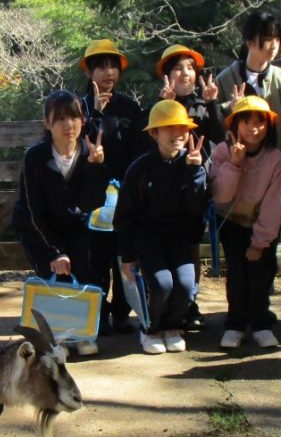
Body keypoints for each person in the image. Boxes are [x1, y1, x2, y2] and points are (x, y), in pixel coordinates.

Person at [11, 90, 109, 354]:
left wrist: (95, 167)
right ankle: (55, 340)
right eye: (61, 118)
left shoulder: (90, 152)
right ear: (47, 123)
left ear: (83, 119)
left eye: (75, 117)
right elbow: (32, 211)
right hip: (39, 230)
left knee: (86, 272)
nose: (69, 125)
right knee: (53, 280)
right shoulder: (35, 158)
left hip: (76, 228)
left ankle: (82, 334)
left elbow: (91, 203)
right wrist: (54, 252)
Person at [116, 100, 210, 354]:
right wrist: (127, 255)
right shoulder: (140, 168)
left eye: (181, 128)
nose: (176, 134)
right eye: (168, 128)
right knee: (162, 285)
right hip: (147, 238)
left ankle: (172, 326)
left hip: (179, 237)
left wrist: (194, 172)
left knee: (186, 286)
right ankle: (151, 328)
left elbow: (197, 209)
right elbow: (124, 214)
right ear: (154, 133)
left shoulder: (194, 165)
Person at [209, 96, 281, 349]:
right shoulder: (222, 151)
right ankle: (235, 323)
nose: (253, 128)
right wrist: (234, 163)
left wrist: (260, 241)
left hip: (261, 223)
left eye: (260, 122)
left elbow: (273, 204)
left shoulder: (276, 159)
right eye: (246, 122)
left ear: (269, 126)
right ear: (235, 125)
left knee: (261, 272)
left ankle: (261, 322)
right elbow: (220, 195)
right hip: (231, 220)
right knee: (237, 272)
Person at [156, 44, 224, 330]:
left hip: (197, 185)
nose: (185, 73)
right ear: (167, 75)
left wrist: (212, 104)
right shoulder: (160, 106)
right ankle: (171, 301)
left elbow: (221, 137)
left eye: (190, 68)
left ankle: (190, 301)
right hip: (166, 186)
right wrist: (165, 105)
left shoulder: (203, 103)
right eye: (178, 68)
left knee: (192, 245)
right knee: (168, 241)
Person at [78, 39, 144, 335]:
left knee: (124, 254)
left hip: (126, 196)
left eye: (113, 66)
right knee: (96, 259)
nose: (108, 72)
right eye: (101, 66)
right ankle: (99, 312)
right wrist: (94, 114)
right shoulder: (77, 107)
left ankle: (121, 312)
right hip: (91, 195)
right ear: (89, 71)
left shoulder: (130, 107)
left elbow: (140, 151)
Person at [215, 9, 281, 156]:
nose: (274, 45)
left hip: (278, 165)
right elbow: (215, 125)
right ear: (249, 42)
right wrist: (230, 107)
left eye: (277, 39)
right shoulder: (225, 78)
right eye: (267, 39)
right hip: (238, 164)